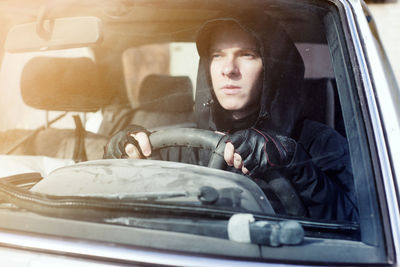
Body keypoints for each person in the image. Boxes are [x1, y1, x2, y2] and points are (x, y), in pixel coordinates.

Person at [104, 13, 358, 222]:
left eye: (247, 54)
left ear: (273, 66)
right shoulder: (184, 143)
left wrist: (294, 162)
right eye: (217, 56)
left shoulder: (317, 143)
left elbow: (356, 222)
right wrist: (122, 150)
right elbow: (117, 200)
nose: (228, 70)